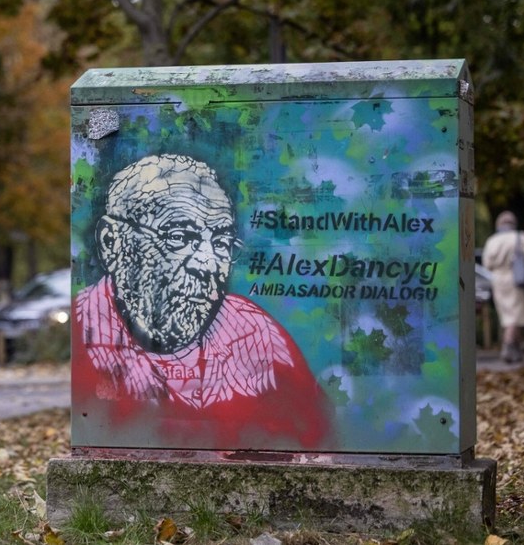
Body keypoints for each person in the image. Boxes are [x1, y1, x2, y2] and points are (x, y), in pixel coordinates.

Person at [73, 154, 333, 449]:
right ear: (112, 243)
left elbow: (323, 439)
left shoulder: (256, 334)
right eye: (179, 236)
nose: (209, 264)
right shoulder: (81, 334)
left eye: (221, 243)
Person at [482, 210, 524, 363]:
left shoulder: (492, 240)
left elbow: (487, 264)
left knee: (507, 315)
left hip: (498, 280)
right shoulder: (520, 237)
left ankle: (515, 351)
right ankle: (508, 347)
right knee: (515, 317)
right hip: (517, 279)